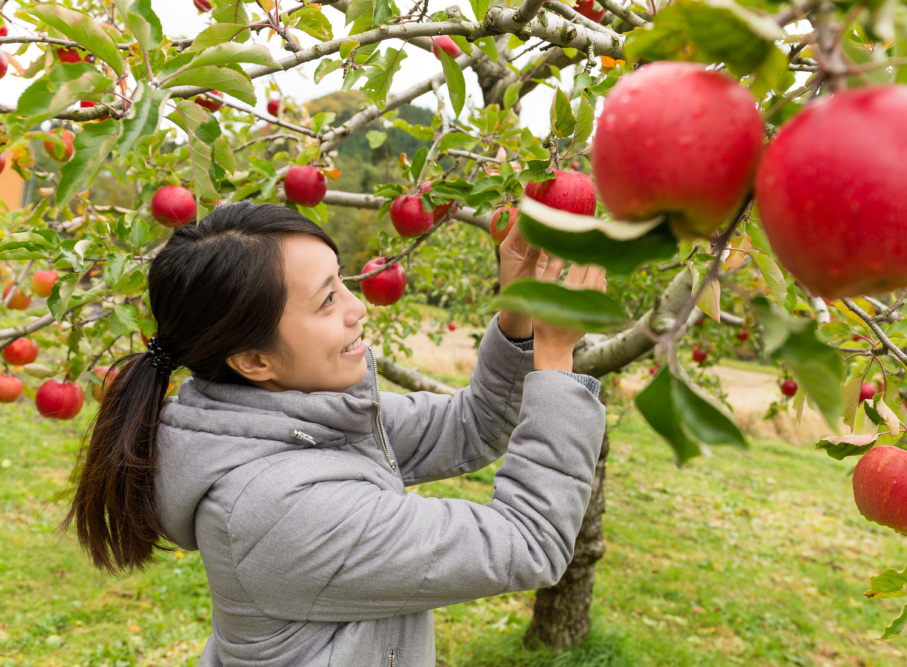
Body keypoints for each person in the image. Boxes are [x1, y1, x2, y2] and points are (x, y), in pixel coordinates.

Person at [61, 201, 607, 666]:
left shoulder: (305, 417)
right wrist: (555, 357)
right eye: (327, 300)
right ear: (253, 359)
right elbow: (529, 541)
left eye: (342, 281)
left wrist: (519, 318)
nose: (358, 306)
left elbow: (471, 429)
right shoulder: (276, 508)